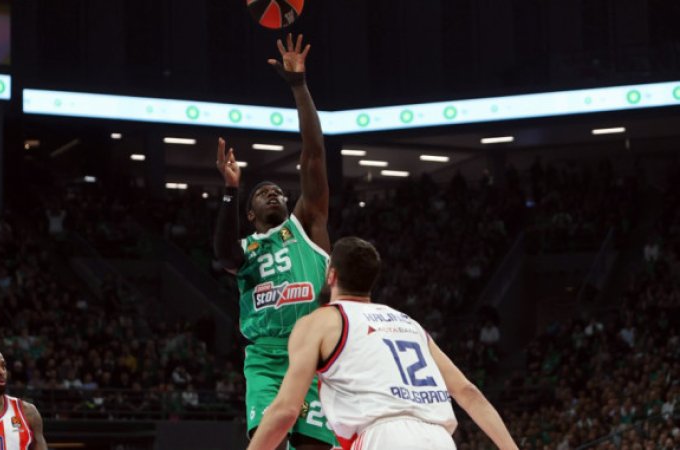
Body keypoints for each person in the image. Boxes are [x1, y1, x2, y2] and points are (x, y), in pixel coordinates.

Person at [248, 237, 518, 450]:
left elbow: (286, 411)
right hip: (440, 439)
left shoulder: (320, 321)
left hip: (382, 437)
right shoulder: (409, 323)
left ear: (331, 275)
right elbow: (468, 392)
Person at [214, 34, 334, 449]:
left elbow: (313, 155)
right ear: (249, 215)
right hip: (265, 357)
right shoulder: (246, 248)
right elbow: (223, 255)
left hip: (314, 351)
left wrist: (298, 86)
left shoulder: (308, 225)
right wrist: (231, 190)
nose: (273, 193)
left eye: (279, 191)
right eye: (262, 192)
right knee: (269, 442)